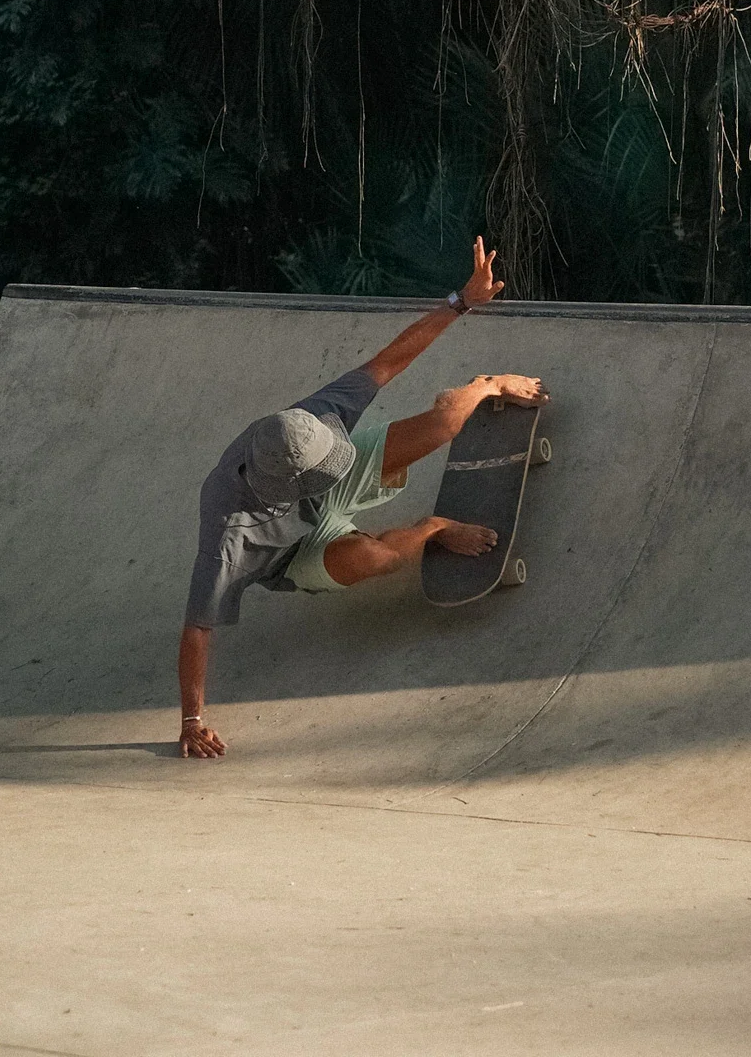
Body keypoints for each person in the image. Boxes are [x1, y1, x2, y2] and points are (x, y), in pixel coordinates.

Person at [177, 238, 545, 757]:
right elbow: (197, 629)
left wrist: (462, 301)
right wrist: (192, 720)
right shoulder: (229, 535)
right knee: (374, 558)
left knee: (443, 424)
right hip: (294, 554)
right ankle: (434, 527)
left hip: (327, 477)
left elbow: (388, 362)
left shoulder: (310, 421)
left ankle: (481, 386)